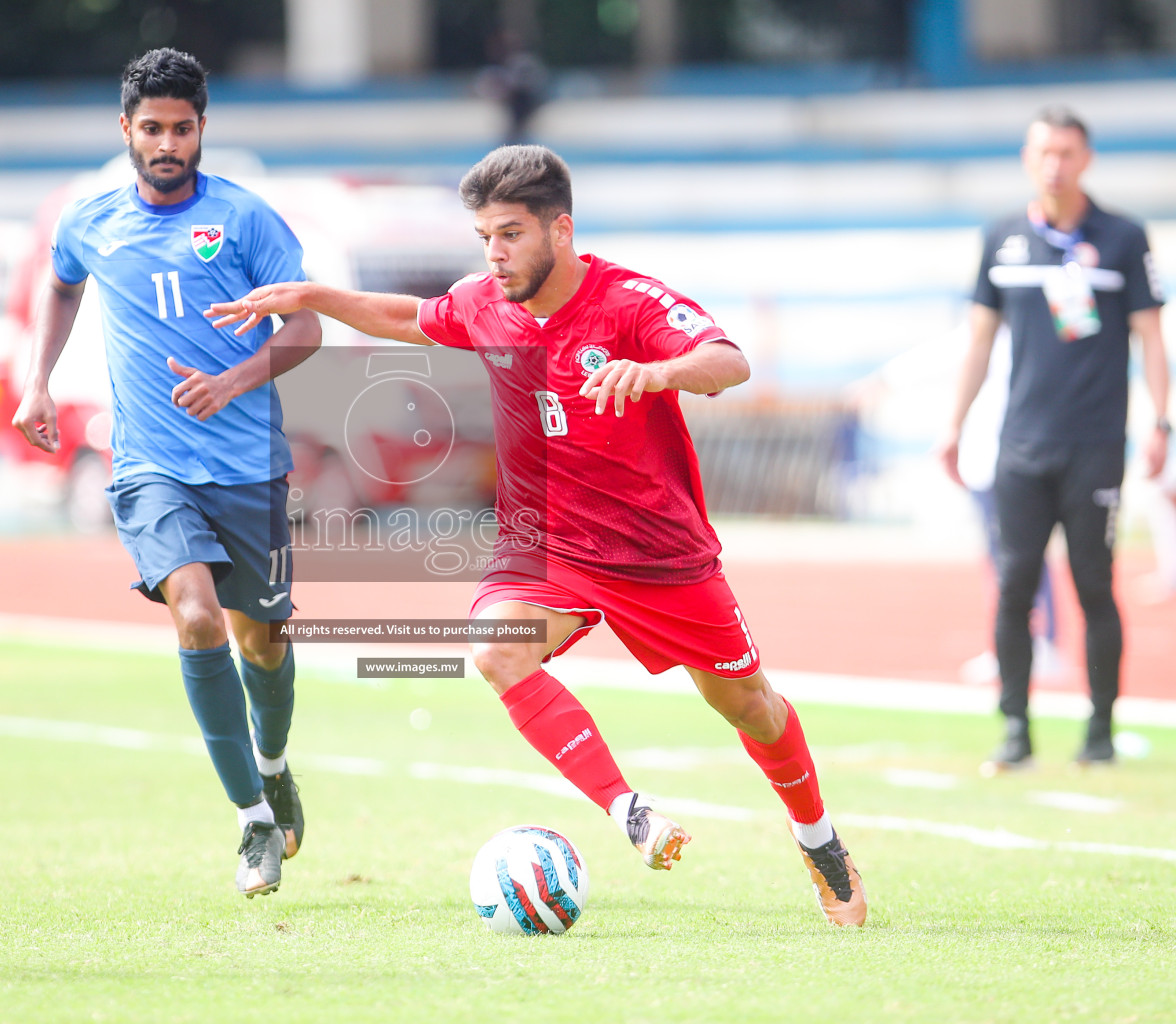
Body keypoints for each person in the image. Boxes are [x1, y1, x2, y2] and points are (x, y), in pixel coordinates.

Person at [209, 144, 867, 927]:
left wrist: (658, 373)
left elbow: (728, 362)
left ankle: (818, 837)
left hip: (660, 553)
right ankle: (628, 810)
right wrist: (315, 293)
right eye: (485, 235)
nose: (495, 253)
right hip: (546, 545)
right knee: (495, 646)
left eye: (511, 234)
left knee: (751, 707)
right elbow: (404, 318)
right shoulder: (486, 301)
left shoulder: (629, 302)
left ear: (562, 230)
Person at [11, 49, 322, 898]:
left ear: (201, 129)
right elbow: (63, 284)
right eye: (152, 128)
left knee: (266, 639)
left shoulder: (249, 220)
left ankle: (274, 762)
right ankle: (252, 820)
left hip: (250, 468)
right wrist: (37, 377)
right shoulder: (92, 219)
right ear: (127, 131)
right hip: (151, 467)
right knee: (194, 614)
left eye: (182, 128)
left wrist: (235, 378)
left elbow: (306, 330)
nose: (167, 142)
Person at [940, 107, 1169, 770]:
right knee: (1013, 584)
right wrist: (953, 425)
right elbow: (979, 341)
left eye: (1067, 152)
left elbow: (1153, 337)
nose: (1055, 165)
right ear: (1026, 158)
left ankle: (1100, 731)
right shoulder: (1004, 238)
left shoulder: (1123, 237)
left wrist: (1160, 422)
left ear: (1086, 159)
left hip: (1095, 444)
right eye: (1044, 152)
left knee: (1096, 585)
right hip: (1020, 447)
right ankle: (1016, 730)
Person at [953, 327, 1062, 686]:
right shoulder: (979, 334)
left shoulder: (1025, 335)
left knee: (1024, 556)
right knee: (999, 560)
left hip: (1016, 463)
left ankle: (1042, 642)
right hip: (985, 466)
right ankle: (1012, 645)